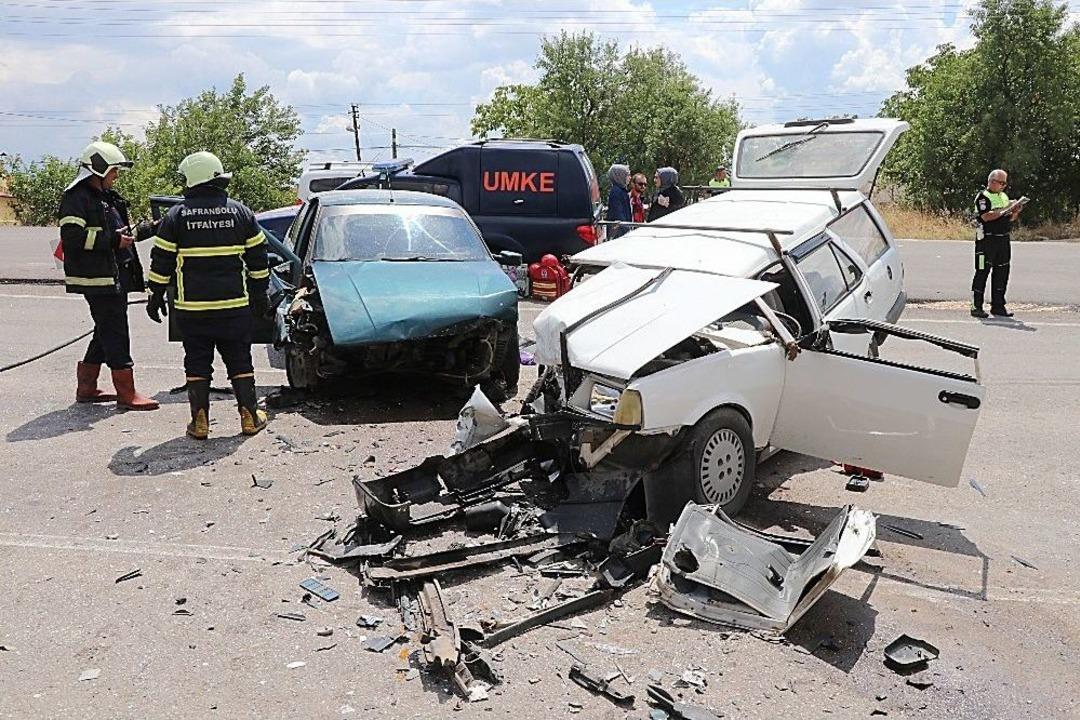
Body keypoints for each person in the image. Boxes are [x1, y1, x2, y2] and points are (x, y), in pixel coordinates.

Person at [146, 151, 270, 439]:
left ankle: (199, 421)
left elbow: (161, 260)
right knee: (239, 358)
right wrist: (260, 295)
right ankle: (250, 417)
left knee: (197, 360)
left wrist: (155, 294)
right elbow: (259, 258)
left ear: (192, 178)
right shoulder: (241, 212)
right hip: (234, 305)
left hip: (192, 309)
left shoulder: (176, 216)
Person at [59, 141, 159, 410]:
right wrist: (112, 241)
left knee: (106, 329)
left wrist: (151, 228)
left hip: (114, 275)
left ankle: (87, 387)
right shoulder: (76, 197)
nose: (116, 176)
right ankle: (127, 394)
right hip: (97, 278)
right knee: (115, 331)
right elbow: (72, 237)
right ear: (98, 169)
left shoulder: (105, 197)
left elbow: (123, 234)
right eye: (113, 171)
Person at [971, 169, 1023, 318]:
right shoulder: (983, 197)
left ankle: (998, 306)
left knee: (1002, 272)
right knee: (982, 271)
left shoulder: (1004, 196)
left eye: (1005, 183)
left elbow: (1009, 218)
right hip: (987, 240)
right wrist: (1007, 209)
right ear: (992, 182)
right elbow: (987, 216)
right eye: (1001, 183)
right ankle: (976, 306)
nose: (1004, 186)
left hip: (1002, 239)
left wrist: (1015, 211)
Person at [605, 163, 633, 239]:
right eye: (627, 175)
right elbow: (618, 214)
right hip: (619, 233)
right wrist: (626, 228)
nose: (630, 178)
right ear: (620, 176)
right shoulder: (616, 192)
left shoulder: (621, 190)